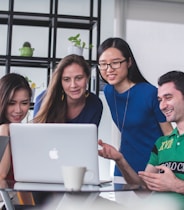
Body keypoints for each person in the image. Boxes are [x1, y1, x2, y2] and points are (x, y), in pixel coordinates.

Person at [98, 71, 184, 203]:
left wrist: (176, 185)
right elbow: (143, 190)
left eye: (168, 97)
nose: (162, 106)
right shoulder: (162, 143)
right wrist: (120, 159)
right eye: (160, 100)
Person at [97, 37, 173, 177]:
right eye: (103, 64)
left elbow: (169, 135)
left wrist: (169, 171)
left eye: (116, 63)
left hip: (152, 167)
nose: (109, 69)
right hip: (123, 167)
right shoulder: (109, 92)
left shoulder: (150, 93)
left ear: (129, 62)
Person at [33, 54, 103, 127]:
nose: (73, 85)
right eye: (66, 79)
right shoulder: (43, 100)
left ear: (87, 77)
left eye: (79, 78)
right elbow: (36, 136)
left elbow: (89, 137)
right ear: (60, 81)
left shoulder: (95, 104)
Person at [0, 73, 36, 208]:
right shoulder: (4, 130)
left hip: (12, 202)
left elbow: (23, 182)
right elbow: (1, 175)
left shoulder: (22, 134)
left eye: (24, 103)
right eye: (11, 103)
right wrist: (4, 130)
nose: (18, 110)